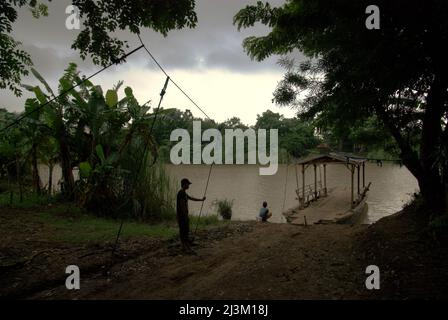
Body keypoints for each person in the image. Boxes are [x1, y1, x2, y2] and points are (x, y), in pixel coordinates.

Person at [176, 178, 206, 252]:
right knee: (183, 230)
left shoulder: (184, 193)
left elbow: (191, 198)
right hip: (182, 216)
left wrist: (201, 200)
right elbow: (182, 205)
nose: (189, 185)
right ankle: (184, 246)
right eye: (187, 184)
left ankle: (186, 244)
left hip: (184, 216)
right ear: (184, 184)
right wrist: (185, 216)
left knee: (186, 230)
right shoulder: (181, 193)